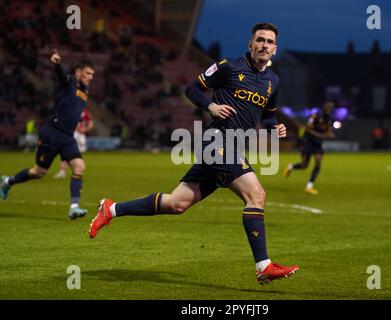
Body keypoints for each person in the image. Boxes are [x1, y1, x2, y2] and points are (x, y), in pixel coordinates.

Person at [89, 22, 299, 285]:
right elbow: (191, 88)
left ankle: (111, 209)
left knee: (176, 204)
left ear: (275, 49)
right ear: (251, 44)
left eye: (269, 42)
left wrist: (275, 127)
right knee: (256, 195)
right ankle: (263, 266)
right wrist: (211, 105)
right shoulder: (228, 67)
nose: (264, 45)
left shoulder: (273, 81)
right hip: (217, 141)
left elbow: (268, 115)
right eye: (260, 40)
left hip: (234, 145)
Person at [0, 49, 95, 219]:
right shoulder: (70, 83)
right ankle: (8, 182)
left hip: (67, 137)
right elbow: (62, 77)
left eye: (92, 74)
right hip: (52, 133)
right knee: (39, 172)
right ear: (79, 72)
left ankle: (74, 207)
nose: (91, 77)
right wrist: (57, 64)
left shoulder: (85, 91)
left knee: (79, 166)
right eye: (88, 73)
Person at [283, 101, 335, 195]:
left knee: (318, 162)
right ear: (324, 107)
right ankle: (291, 166)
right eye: (328, 107)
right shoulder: (315, 116)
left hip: (317, 144)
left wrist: (330, 135)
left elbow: (329, 131)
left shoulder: (329, 119)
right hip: (307, 142)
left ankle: (309, 186)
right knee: (304, 165)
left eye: (331, 107)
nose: (329, 109)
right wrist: (321, 136)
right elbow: (308, 128)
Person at [53, 108, 94, 179]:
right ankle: (62, 171)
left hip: (81, 135)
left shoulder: (85, 113)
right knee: (66, 152)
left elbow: (91, 124)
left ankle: (77, 171)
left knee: (80, 153)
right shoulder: (70, 111)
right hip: (71, 133)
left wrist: (85, 129)